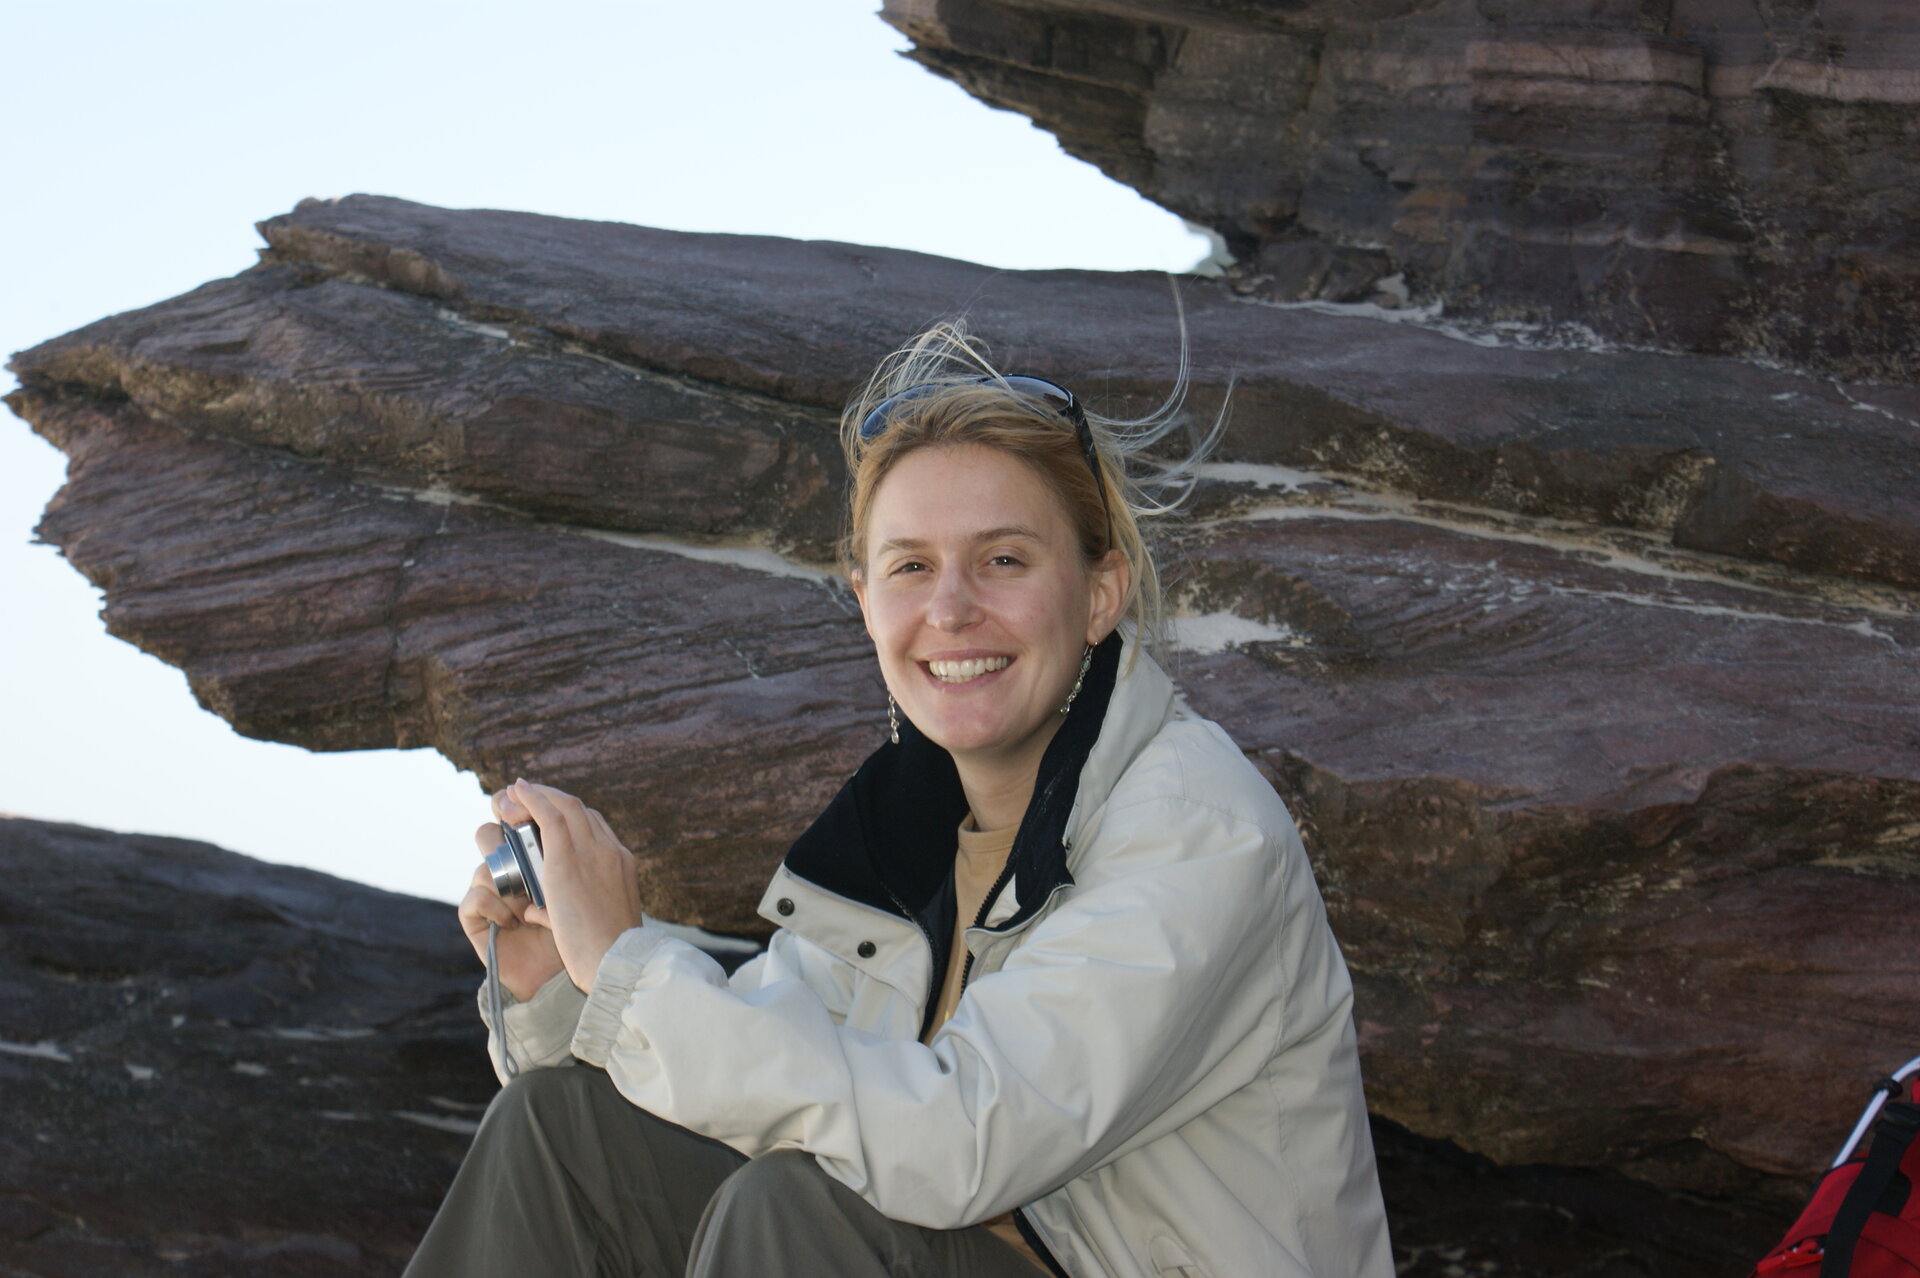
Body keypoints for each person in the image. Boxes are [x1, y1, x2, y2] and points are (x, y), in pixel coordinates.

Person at [406, 322, 1394, 1277]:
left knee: (797, 1213)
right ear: (865, 598)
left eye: (1004, 560)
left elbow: (963, 1141)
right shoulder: (899, 836)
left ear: (1099, 594)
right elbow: (782, 1069)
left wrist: (626, 961)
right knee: (564, 1132)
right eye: (910, 566)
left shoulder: (1197, 826)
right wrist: (564, 989)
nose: (951, 608)